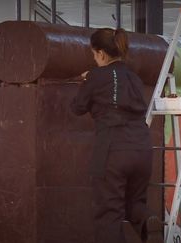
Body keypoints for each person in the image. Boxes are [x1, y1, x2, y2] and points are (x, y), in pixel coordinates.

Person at [70, 27, 163, 243]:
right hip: (142, 149)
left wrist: (86, 81)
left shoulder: (95, 75)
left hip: (112, 151)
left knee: (108, 214)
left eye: (94, 55)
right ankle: (148, 221)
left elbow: (77, 107)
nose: (94, 59)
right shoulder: (134, 78)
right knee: (134, 205)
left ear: (101, 53)